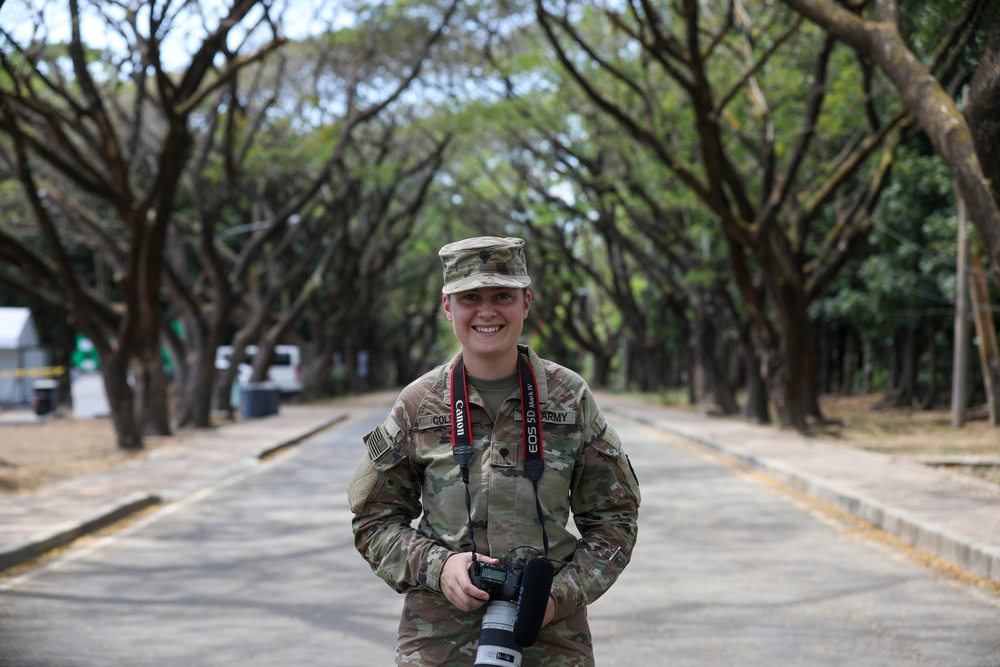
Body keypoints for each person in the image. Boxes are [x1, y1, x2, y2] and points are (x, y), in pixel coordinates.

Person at [348, 236, 640, 666]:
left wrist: (558, 597)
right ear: (448, 308)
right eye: (470, 298)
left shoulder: (569, 397)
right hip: (439, 641)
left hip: (551, 639)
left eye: (502, 295)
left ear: (526, 302)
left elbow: (615, 519)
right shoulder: (419, 403)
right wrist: (439, 567)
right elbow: (373, 519)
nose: (487, 311)